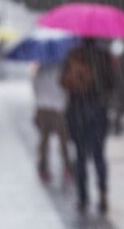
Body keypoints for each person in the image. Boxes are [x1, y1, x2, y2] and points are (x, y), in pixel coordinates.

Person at [61, 38, 118, 214]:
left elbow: (62, 82)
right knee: (99, 154)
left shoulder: (72, 55)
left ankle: (83, 197)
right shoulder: (104, 56)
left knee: (80, 155)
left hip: (77, 109)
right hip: (98, 109)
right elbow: (112, 83)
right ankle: (102, 194)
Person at [32, 61, 72, 183]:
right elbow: (66, 88)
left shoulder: (40, 70)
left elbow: (35, 87)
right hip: (58, 108)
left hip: (43, 107)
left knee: (44, 140)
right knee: (63, 140)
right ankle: (67, 167)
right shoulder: (62, 70)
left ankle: (43, 167)